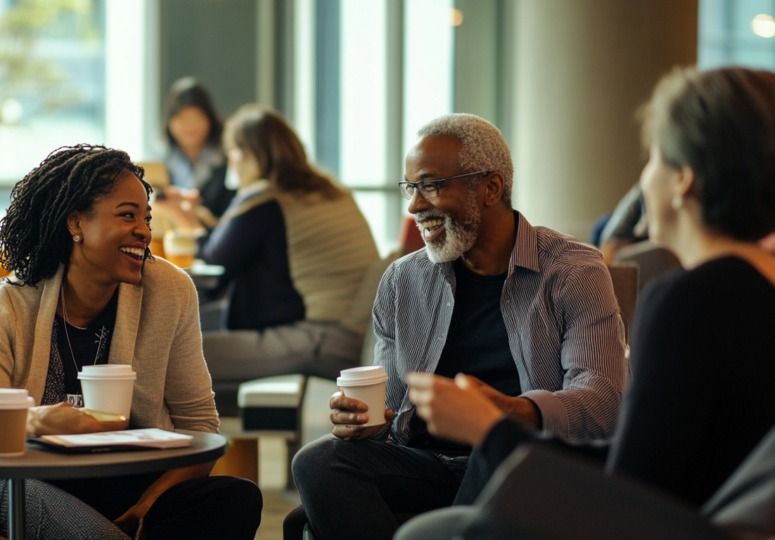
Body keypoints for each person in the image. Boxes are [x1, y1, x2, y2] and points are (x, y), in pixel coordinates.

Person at [397, 66, 775, 539]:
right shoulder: (755, 290)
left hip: (662, 526)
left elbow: (629, 498)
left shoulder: (689, 303)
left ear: (684, 180)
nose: (643, 179)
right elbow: (643, 462)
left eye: (652, 158)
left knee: (435, 532)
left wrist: (491, 431)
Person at [286, 113, 628, 540]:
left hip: (516, 458)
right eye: (410, 188)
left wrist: (502, 415)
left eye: (430, 185)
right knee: (317, 462)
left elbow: (605, 400)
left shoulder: (573, 270)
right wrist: (363, 419)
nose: (414, 206)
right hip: (427, 463)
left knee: (495, 448)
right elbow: (392, 415)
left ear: (490, 188)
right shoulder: (402, 280)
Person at [0, 144, 262, 540]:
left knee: (234, 498)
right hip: (27, 481)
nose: (145, 231)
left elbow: (201, 425)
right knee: (43, 506)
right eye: (128, 215)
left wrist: (151, 500)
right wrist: (35, 419)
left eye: (147, 218)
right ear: (76, 223)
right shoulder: (13, 302)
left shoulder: (170, 290)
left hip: (123, 481)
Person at [161, 104, 380, 386]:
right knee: (190, 331)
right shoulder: (327, 191)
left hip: (319, 338)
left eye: (232, 154)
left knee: (168, 353)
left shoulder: (267, 199)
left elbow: (217, 259)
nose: (232, 165)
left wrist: (184, 219)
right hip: (348, 334)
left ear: (248, 155)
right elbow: (235, 242)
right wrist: (198, 219)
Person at [159, 77, 234, 224]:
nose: (190, 126)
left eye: (197, 118)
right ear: (170, 121)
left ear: (210, 119)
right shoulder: (160, 159)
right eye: (183, 118)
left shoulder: (227, 159)